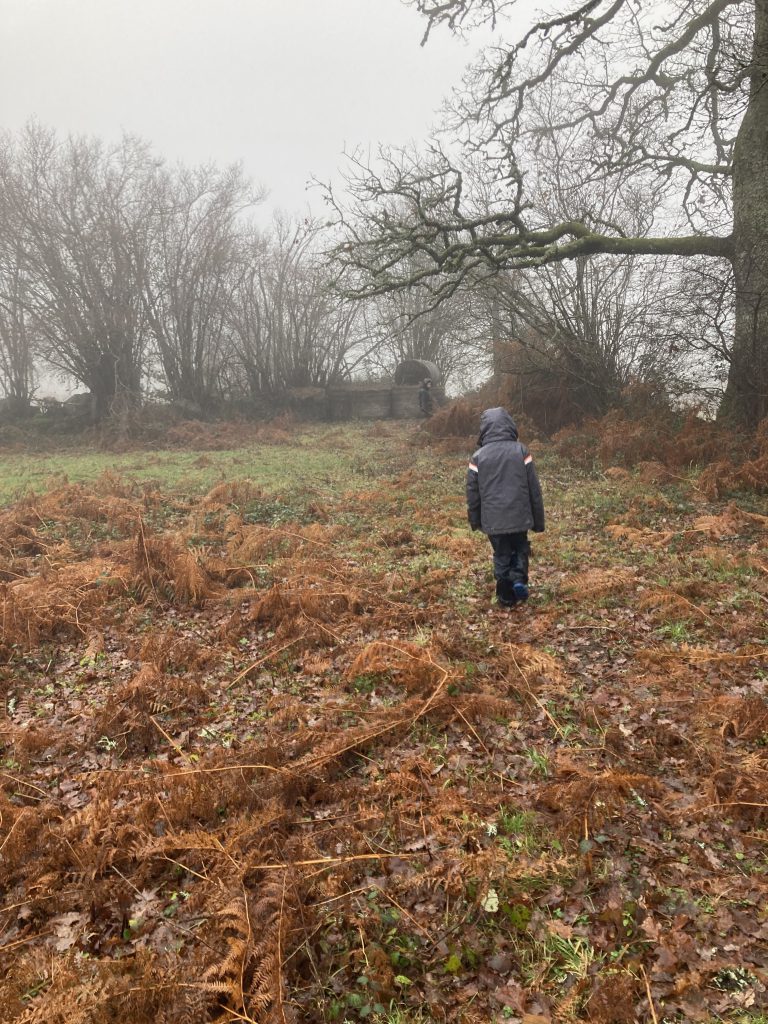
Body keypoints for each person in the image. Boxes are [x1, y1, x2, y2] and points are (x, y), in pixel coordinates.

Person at [466, 407, 545, 608]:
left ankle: (505, 596)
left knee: (501, 553)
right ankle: (518, 579)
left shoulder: (478, 457)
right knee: (520, 548)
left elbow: (473, 494)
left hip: (493, 518)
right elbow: (534, 488)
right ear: (510, 425)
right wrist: (538, 521)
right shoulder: (521, 451)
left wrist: (475, 520)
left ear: (484, 429)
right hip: (519, 515)